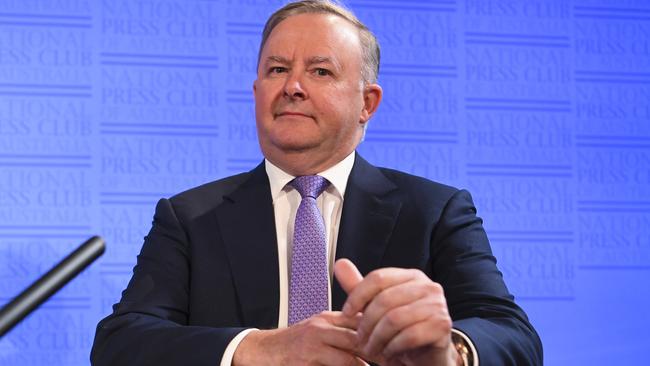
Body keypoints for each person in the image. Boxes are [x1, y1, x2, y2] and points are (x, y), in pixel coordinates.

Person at [91, 1, 543, 365]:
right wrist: (263, 349)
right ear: (256, 93)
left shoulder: (434, 210)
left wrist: (450, 353)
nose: (292, 86)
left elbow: (513, 336)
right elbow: (121, 344)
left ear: (367, 103)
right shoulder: (189, 217)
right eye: (276, 69)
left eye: (320, 71)